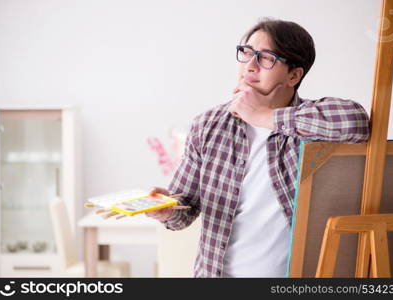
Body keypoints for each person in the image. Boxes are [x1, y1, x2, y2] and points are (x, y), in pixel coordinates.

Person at [145, 18, 370, 278]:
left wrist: (264, 116)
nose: (250, 66)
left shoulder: (311, 121)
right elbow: (185, 209)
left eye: (266, 58)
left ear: (294, 75)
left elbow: (356, 121)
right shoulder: (208, 125)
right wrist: (167, 209)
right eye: (247, 53)